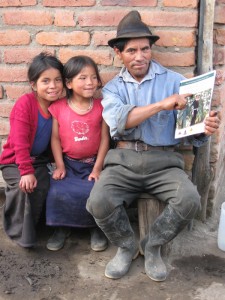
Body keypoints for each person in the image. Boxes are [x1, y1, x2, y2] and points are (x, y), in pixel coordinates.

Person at [86, 11, 220, 282]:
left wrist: (203, 129)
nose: (140, 56)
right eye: (132, 50)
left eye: (145, 49)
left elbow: (191, 133)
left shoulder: (175, 82)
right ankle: (126, 245)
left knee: (190, 200)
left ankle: (153, 245)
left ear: (151, 49)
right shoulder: (112, 89)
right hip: (122, 161)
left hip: (164, 163)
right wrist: (161, 104)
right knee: (97, 202)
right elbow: (121, 122)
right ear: (118, 52)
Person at [0, 52, 64, 248]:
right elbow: (19, 143)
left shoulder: (58, 107)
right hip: (14, 162)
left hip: (39, 161)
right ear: (33, 84)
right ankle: (20, 233)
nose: (53, 86)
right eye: (46, 81)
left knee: (45, 186)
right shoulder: (25, 104)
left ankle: (38, 225)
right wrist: (26, 172)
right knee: (25, 187)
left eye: (58, 80)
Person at [45, 55, 109, 252]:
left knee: (94, 191)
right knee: (57, 191)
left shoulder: (102, 107)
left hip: (93, 163)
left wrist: (97, 168)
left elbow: (106, 139)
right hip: (69, 164)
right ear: (69, 83)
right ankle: (62, 228)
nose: (90, 82)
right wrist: (60, 165)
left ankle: (95, 228)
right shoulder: (58, 108)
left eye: (93, 77)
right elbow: (55, 139)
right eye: (82, 78)